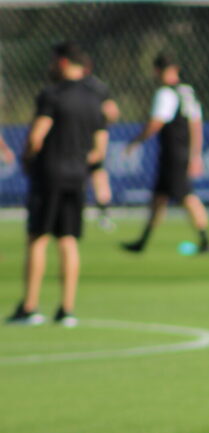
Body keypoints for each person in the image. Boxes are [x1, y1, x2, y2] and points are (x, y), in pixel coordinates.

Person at [6, 42, 107, 327]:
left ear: (62, 63)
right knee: (68, 239)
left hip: (50, 173)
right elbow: (99, 148)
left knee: (38, 237)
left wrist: (28, 158)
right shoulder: (93, 98)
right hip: (77, 175)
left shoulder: (51, 95)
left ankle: (30, 306)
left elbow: (37, 135)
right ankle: (66, 309)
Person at [122, 53, 209, 254]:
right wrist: (196, 153)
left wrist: (136, 141)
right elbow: (196, 124)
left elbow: (157, 122)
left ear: (157, 71)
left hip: (173, 153)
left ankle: (206, 241)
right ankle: (142, 241)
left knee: (186, 196)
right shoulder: (187, 91)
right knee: (159, 198)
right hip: (182, 151)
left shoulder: (165, 93)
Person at [83, 55, 120, 231]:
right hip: (97, 134)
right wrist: (101, 124)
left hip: (76, 135)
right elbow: (112, 112)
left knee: (79, 170)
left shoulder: (66, 86)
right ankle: (104, 214)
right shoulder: (99, 86)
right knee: (98, 172)